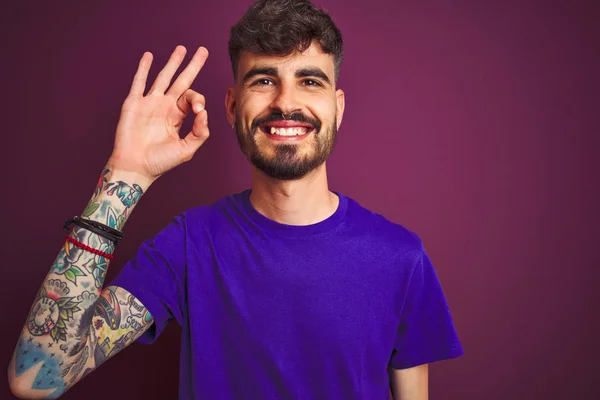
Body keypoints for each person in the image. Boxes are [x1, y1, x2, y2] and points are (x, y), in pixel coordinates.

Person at [8, 0, 463, 398]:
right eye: (264, 80)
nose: (287, 102)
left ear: (338, 107)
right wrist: (125, 174)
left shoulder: (401, 258)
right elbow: (36, 379)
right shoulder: (189, 244)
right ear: (230, 106)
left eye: (310, 81)